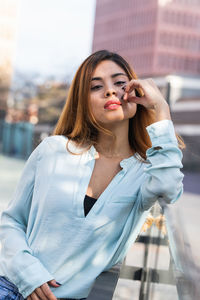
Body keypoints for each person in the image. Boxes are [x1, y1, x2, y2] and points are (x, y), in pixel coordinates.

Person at [0, 50, 184, 300]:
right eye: (96, 87)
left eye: (120, 83)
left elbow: (169, 188)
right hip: (10, 287)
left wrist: (161, 109)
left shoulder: (145, 171)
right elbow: (12, 221)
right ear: (82, 102)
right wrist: (28, 274)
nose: (110, 91)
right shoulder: (53, 150)